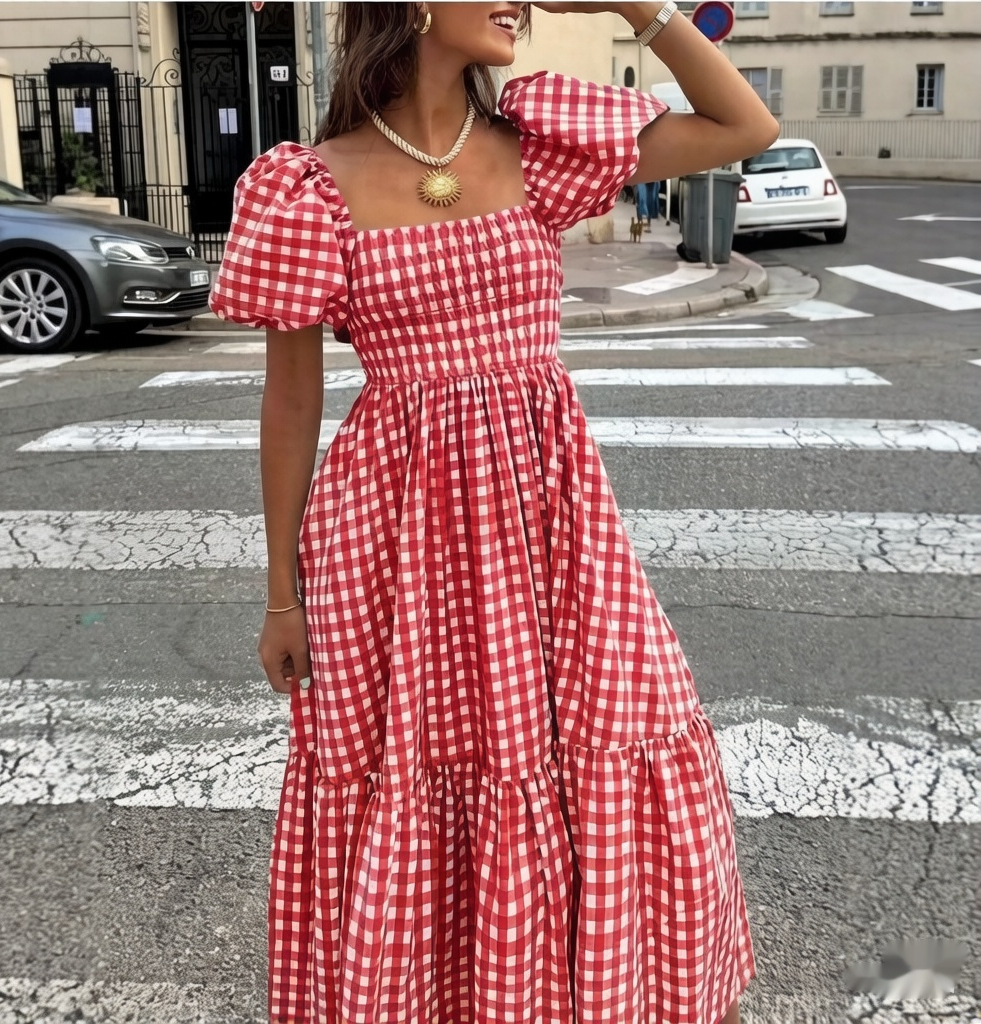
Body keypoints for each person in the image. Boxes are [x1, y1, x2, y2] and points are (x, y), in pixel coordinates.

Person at [209, 3, 779, 1022]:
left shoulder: (539, 144)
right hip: (395, 537)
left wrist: (635, 6)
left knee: (614, 726)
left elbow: (745, 126)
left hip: (554, 520)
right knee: (415, 766)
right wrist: (281, 596)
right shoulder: (306, 186)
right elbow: (290, 402)